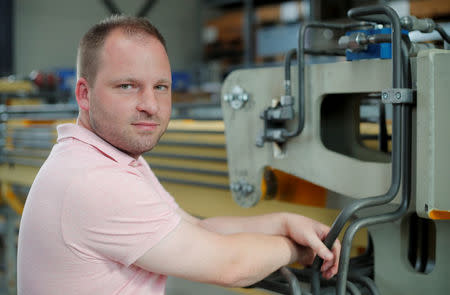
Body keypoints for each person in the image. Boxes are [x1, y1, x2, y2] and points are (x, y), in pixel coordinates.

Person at [17, 15, 340, 295]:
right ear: (84, 94)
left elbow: (197, 230)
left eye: (160, 86)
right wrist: (298, 248)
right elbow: (230, 266)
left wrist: (284, 222)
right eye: (128, 86)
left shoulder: (111, 159)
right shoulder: (94, 179)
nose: (151, 105)